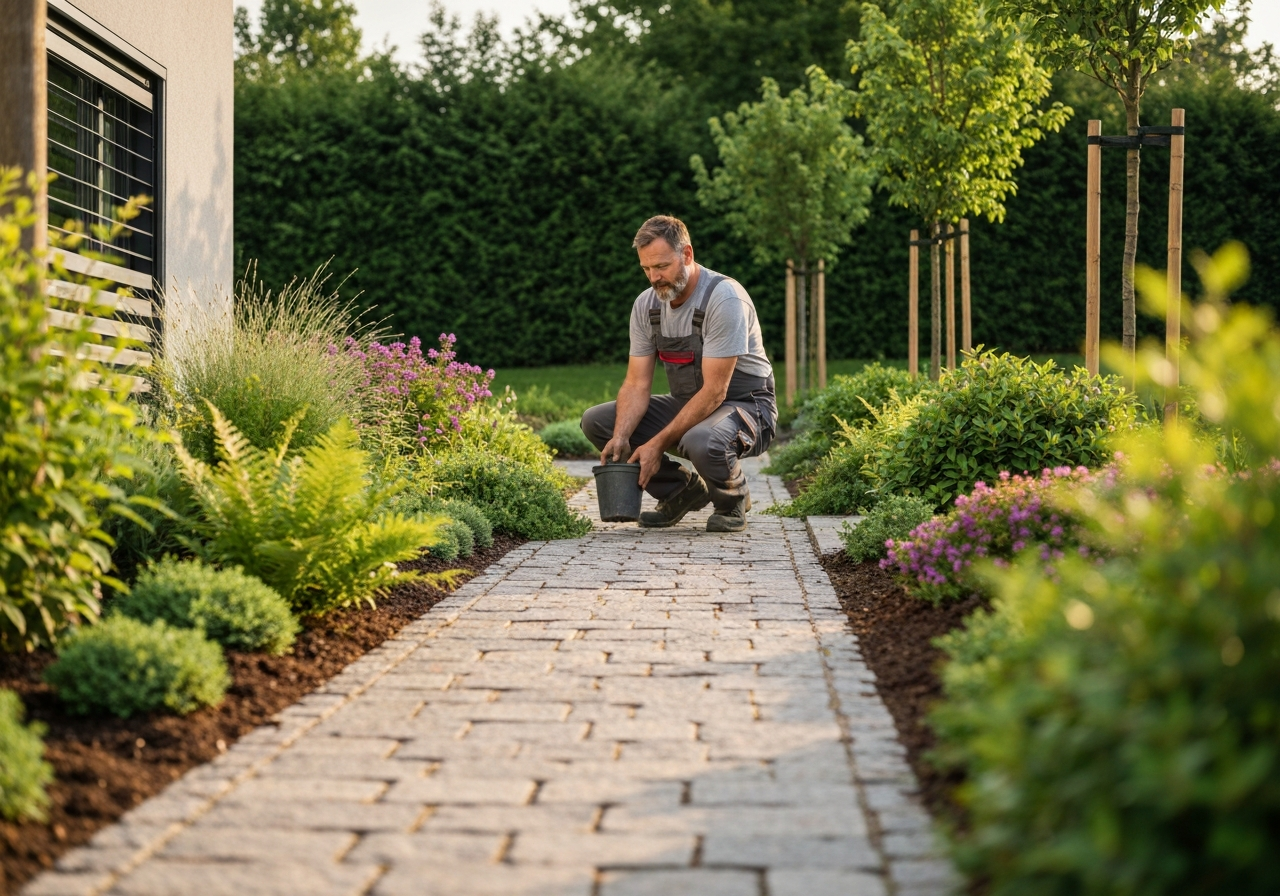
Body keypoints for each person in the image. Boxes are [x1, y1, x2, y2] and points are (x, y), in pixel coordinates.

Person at [580, 215, 777, 532]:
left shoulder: (724, 299)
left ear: (687, 254)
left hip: (748, 406)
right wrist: (621, 437)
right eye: (646, 269)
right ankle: (680, 491)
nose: (653, 277)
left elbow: (715, 391)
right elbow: (636, 383)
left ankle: (732, 499)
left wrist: (657, 444)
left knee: (702, 439)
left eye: (661, 266)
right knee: (600, 422)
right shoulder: (647, 306)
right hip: (691, 403)